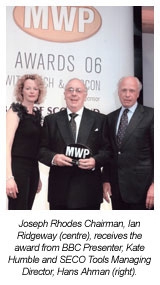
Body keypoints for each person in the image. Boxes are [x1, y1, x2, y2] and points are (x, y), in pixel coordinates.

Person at [38, 78, 111, 210]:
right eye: (70, 90)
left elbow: (107, 150)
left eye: (78, 90)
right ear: (65, 94)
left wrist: (95, 161)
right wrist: (54, 158)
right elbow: (41, 150)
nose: (74, 94)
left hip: (89, 192)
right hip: (60, 192)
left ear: (85, 95)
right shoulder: (51, 120)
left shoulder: (100, 120)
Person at [102, 76, 154, 210]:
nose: (127, 94)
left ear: (138, 93)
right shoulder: (110, 118)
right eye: (123, 90)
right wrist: (106, 179)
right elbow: (109, 152)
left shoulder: (152, 115)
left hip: (144, 190)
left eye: (132, 90)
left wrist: (155, 185)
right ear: (118, 92)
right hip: (117, 190)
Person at [6, 74, 46, 210]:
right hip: (18, 169)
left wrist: (38, 176)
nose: (32, 91)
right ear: (21, 90)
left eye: (35, 89)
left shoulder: (37, 115)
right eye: (28, 88)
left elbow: (33, 148)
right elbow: (6, 146)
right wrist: (9, 177)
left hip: (33, 169)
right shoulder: (15, 112)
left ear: (39, 92)